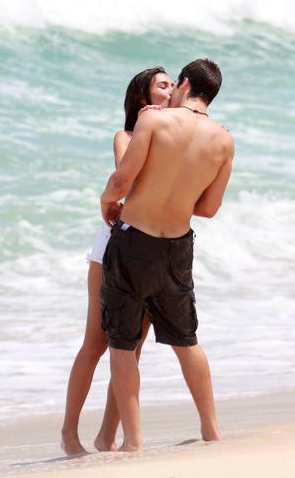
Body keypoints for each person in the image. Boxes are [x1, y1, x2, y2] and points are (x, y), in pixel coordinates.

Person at [99, 58, 234, 451]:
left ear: (186, 83)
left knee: (123, 343)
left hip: (135, 241)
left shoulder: (154, 122)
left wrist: (107, 200)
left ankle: (134, 442)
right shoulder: (225, 140)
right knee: (186, 340)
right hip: (178, 245)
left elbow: (123, 178)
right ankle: (211, 430)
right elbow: (209, 208)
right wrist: (176, 197)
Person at [61, 67, 174, 456]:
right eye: (163, 85)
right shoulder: (126, 135)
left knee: (131, 348)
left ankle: (107, 435)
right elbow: (129, 178)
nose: (172, 89)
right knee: (96, 342)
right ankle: (68, 433)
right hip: (114, 244)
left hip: (149, 246)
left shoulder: (174, 140)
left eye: (173, 83)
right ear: (143, 101)